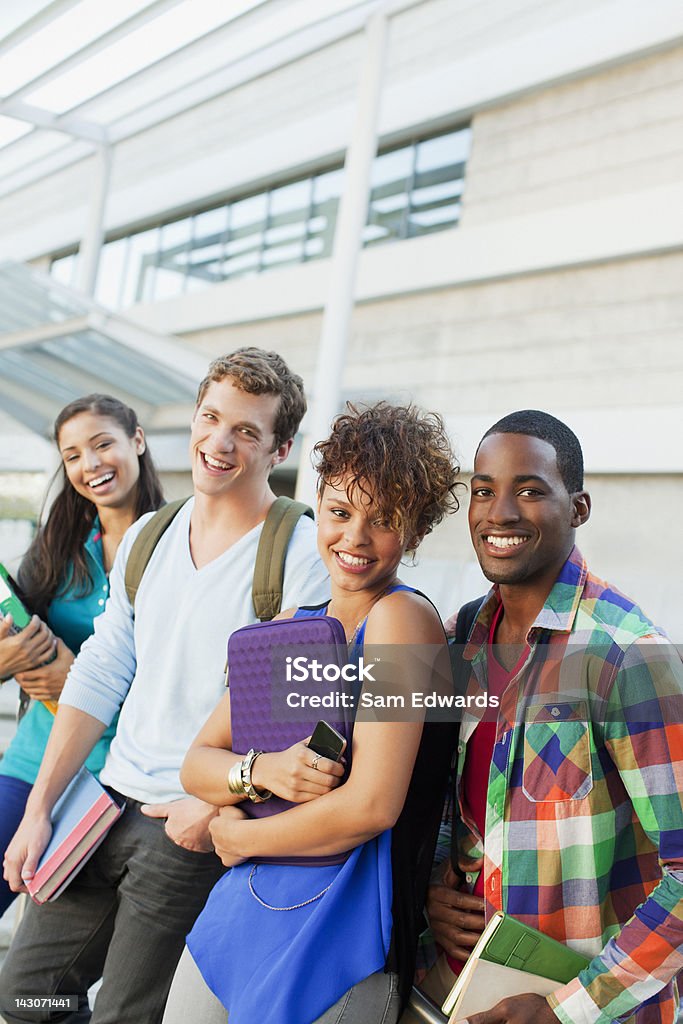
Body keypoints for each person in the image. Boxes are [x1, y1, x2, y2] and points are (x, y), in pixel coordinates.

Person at [0, 348, 329, 1024]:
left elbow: (297, 715)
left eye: (245, 430)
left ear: (280, 447)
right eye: (211, 418)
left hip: (181, 828)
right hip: (99, 808)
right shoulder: (152, 533)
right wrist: (40, 808)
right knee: (27, 995)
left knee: (126, 1013)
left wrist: (210, 813)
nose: (218, 441)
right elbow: (102, 670)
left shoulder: (299, 552)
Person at [162, 401, 461, 1024]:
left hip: (341, 931)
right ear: (317, 502)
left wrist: (241, 834)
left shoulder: (405, 622)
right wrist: (263, 771)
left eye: (384, 520)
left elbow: (372, 806)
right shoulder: (298, 625)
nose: (354, 538)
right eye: (340, 511)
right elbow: (196, 764)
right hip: (241, 915)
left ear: (417, 531)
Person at [426, 410, 683, 1024]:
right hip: (467, 996)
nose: (500, 513)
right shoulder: (463, 636)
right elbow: (455, 809)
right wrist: (435, 889)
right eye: (483, 491)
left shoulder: (626, 654)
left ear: (580, 508)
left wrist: (564, 1010)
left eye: (530, 490)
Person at [0, 394, 164, 918]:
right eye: (72, 455)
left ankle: (50, 1010)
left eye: (102, 444)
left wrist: (76, 679)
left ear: (137, 441)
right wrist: (10, 661)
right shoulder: (58, 546)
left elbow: (183, 682)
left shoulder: (176, 548)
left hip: (118, 780)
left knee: (45, 967)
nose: (90, 464)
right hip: (32, 763)